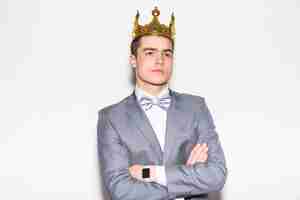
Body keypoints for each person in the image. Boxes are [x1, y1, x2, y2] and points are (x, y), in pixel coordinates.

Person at [97, 7, 227, 200]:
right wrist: (188, 178)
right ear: (133, 60)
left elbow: (216, 175)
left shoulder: (196, 107)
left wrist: (152, 173)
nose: (160, 60)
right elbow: (121, 190)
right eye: (150, 52)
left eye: (167, 54)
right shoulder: (111, 117)